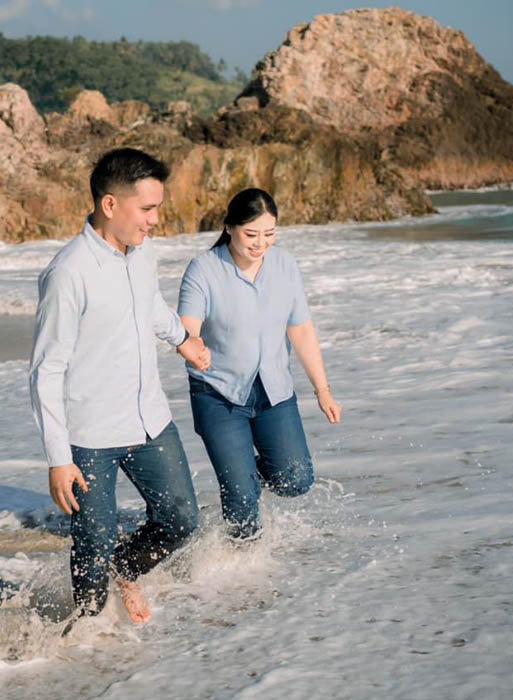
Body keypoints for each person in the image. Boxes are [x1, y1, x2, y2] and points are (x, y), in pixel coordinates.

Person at [29, 147, 210, 625]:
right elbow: (46, 369)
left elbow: (149, 305)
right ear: (110, 204)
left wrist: (182, 340)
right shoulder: (68, 273)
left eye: (157, 208)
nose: (154, 220)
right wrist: (58, 458)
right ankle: (88, 635)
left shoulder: (143, 251)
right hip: (90, 436)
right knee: (93, 543)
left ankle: (126, 570)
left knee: (181, 520)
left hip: (150, 420)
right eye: (146, 208)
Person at [178, 188, 341, 540]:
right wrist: (191, 344)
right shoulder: (204, 268)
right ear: (229, 227)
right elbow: (187, 325)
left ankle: (244, 474)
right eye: (251, 234)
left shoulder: (285, 265)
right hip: (218, 394)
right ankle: (242, 566)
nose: (260, 243)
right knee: (241, 503)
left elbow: (300, 329)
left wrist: (323, 390)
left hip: (273, 391)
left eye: (269, 233)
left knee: (296, 480)